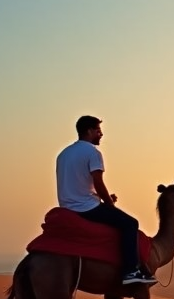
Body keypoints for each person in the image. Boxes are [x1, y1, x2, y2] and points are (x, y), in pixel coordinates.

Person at [57, 115, 156, 285]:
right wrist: (110, 205)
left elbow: (78, 183)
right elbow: (98, 181)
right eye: (98, 130)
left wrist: (104, 198)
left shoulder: (63, 154)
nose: (101, 134)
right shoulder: (93, 152)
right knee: (130, 223)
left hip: (67, 207)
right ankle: (131, 272)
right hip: (86, 208)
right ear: (89, 131)